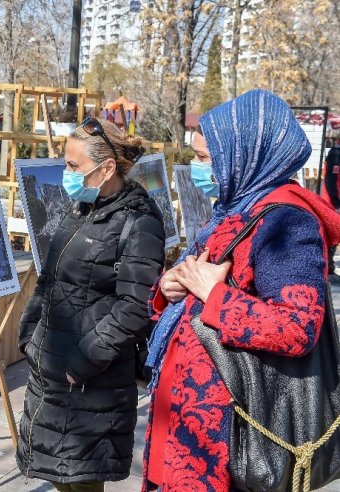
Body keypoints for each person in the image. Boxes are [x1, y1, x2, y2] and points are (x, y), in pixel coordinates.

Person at [143, 89, 340, 491]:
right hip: (186, 416)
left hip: (225, 437)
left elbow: (298, 326)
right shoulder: (236, 207)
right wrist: (169, 288)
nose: (197, 168)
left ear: (243, 156)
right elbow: (199, 282)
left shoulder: (287, 220)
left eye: (204, 159)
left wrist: (214, 296)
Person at [16, 117, 166, 491]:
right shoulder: (82, 209)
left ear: (107, 167)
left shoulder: (139, 221)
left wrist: (81, 363)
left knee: (80, 480)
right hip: (49, 371)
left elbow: (134, 306)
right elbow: (49, 279)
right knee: (58, 476)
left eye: (73, 166)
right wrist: (30, 335)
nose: (66, 174)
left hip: (89, 383)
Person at [323, 137, 340, 283]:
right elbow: (331, 179)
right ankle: (328, 269)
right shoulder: (336, 154)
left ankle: (329, 267)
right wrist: (336, 200)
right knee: (334, 231)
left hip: (334, 199)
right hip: (334, 201)